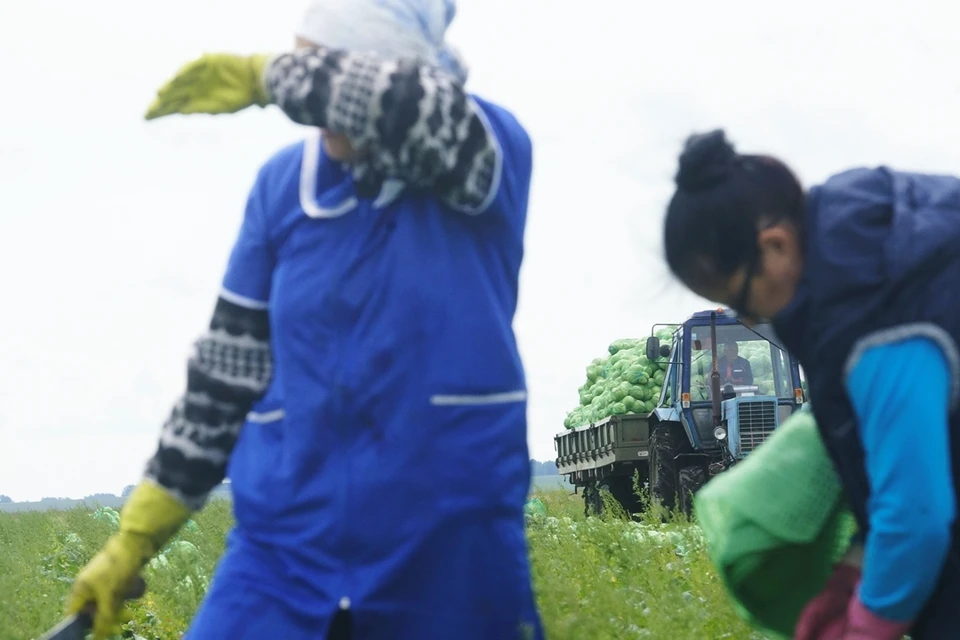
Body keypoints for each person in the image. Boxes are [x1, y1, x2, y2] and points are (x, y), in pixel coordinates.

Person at [64, 2, 543, 639]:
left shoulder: (484, 151)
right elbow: (224, 376)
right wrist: (137, 533)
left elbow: (401, 106)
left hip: (449, 556)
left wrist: (267, 75)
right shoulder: (282, 188)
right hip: (283, 557)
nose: (311, 103)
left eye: (318, 69)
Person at [661, 129, 959, 640]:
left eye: (743, 303)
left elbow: (917, 516)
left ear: (774, 246)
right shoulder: (881, 245)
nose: (749, 317)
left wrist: (864, 627)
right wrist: (855, 571)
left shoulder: (873, 323)